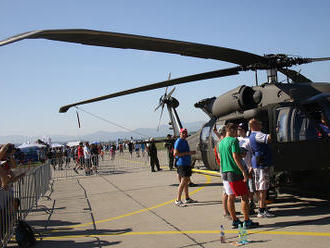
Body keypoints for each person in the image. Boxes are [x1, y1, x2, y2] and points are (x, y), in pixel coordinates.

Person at [218, 123, 259, 229]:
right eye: (236, 131)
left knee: (230, 197)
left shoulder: (221, 143)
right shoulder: (233, 141)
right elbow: (235, 157)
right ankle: (247, 220)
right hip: (234, 172)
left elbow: (222, 157)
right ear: (231, 130)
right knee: (244, 196)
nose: (237, 133)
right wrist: (244, 171)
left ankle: (235, 221)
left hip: (225, 172)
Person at [248, 118, 274, 218]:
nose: (261, 125)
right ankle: (262, 210)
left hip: (257, 162)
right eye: (259, 123)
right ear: (254, 125)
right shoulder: (258, 134)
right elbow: (269, 138)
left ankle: (262, 207)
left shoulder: (251, 136)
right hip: (262, 163)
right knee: (263, 188)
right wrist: (276, 131)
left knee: (260, 187)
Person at [173, 128, 197, 207]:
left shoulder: (185, 141)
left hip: (186, 163)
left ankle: (187, 198)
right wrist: (188, 153)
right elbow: (175, 153)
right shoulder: (179, 141)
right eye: (183, 133)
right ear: (180, 133)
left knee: (186, 182)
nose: (184, 134)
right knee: (183, 182)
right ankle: (178, 200)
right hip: (182, 164)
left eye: (185, 133)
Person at [237, 123, 256, 215]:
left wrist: (251, 165)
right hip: (241, 168)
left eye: (240, 129)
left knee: (251, 187)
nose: (238, 131)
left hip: (248, 166)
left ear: (244, 130)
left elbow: (253, 154)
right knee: (245, 188)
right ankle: (246, 205)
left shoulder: (249, 140)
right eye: (238, 129)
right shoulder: (237, 140)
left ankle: (251, 203)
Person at [213, 125, 230, 217]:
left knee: (228, 191)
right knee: (226, 191)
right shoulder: (222, 142)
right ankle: (226, 211)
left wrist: (215, 132)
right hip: (225, 168)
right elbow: (220, 157)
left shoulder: (220, 142)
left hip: (224, 168)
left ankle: (228, 209)